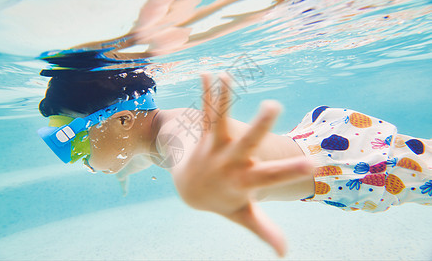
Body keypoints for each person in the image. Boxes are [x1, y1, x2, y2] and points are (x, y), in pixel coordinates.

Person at [38, 68, 431, 257]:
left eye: (70, 140)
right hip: (320, 143)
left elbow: (191, 151)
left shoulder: (178, 129)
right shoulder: (149, 133)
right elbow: (151, 153)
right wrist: (126, 167)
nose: (74, 156)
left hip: (350, 166)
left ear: (123, 120)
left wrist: (202, 183)